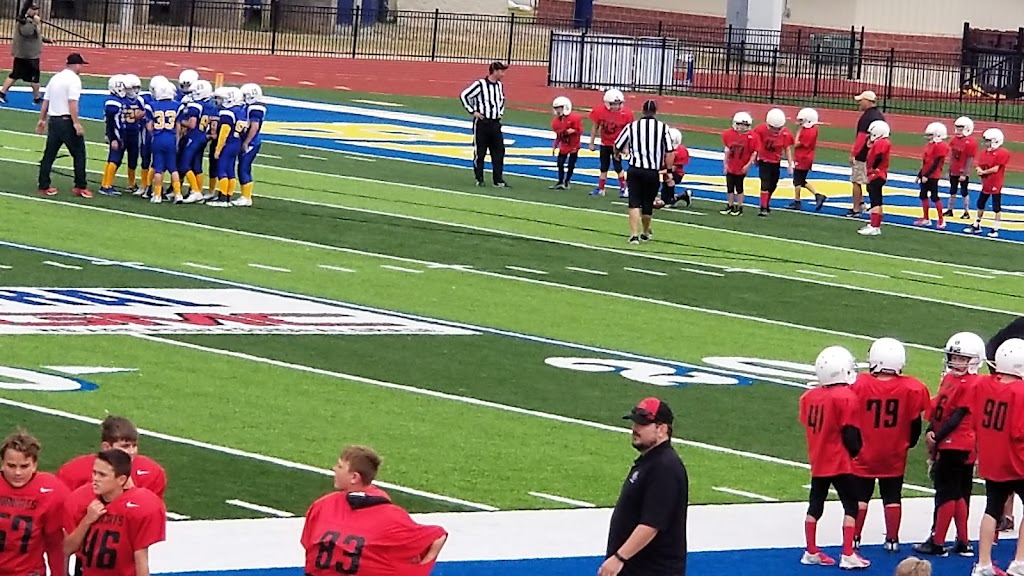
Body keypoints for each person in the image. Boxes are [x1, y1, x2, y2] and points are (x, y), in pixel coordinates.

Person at [301, 445, 448, 576]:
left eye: (340, 466)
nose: (334, 469)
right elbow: (437, 537)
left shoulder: (324, 505)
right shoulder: (391, 515)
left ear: (354, 477)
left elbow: (309, 544)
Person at [850, 337, 931, 553]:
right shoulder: (912, 388)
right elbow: (915, 423)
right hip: (894, 452)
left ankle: (854, 537)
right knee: (892, 495)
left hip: (865, 450)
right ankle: (893, 539)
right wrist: (907, 443)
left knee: (861, 496)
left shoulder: (859, 384)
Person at [914, 331, 986, 557]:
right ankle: (963, 541)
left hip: (958, 442)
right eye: (954, 357)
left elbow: (957, 415)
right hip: (954, 441)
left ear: (974, 360)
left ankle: (937, 541)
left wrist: (937, 436)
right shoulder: (950, 379)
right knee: (958, 493)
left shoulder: (972, 383)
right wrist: (930, 429)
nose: (956, 361)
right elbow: (940, 410)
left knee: (947, 493)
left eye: (962, 358)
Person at [601, 397, 688, 576]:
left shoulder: (665, 468)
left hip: (651, 570)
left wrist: (619, 558)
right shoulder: (651, 462)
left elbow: (651, 524)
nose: (635, 429)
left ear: (662, 429)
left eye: (642, 425)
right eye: (635, 423)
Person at [798, 346, 867, 569]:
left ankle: (810, 550)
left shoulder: (808, 397)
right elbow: (849, 433)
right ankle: (847, 553)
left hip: (818, 458)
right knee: (851, 505)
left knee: (815, 505)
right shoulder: (846, 396)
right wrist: (856, 451)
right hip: (838, 460)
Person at [969, 338, 1024, 576]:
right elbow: (1019, 431)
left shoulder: (983, 384)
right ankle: (1020, 561)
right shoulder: (1020, 392)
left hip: (992, 458)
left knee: (992, 509)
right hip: (1017, 460)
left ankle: (983, 563)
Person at [63, 450, 166, 576]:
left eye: (102, 475)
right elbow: (66, 549)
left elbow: (141, 559)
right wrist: (87, 520)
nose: (95, 479)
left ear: (121, 479)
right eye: (94, 473)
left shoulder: (137, 507)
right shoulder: (82, 500)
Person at [0, 428, 69, 576]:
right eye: (11, 466)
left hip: (28, 572)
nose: (17, 473)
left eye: (24, 466)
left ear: (35, 465)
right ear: (2, 464)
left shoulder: (51, 490)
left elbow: (55, 542)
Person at [57, 415, 167, 499]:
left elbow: (151, 513)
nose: (132, 451)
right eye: (125, 446)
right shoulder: (73, 471)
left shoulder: (152, 472)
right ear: (106, 447)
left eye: (134, 446)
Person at [613, 99, 675, 245]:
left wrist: (617, 154)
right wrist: (669, 170)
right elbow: (670, 152)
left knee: (634, 202)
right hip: (652, 171)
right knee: (647, 203)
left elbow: (618, 144)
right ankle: (645, 232)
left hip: (635, 169)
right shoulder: (663, 128)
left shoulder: (632, 126)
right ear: (655, 112)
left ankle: (634, 235)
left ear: (642, 111)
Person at [37, 52, 89, 198]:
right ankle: (80, 185)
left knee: (49, 154)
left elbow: (46, 101)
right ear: (77, 65)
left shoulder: (55, 78)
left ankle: (43, 185)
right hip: (66, 121)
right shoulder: (74, 80)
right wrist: (76, 123)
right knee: (79, 154)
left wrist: (42, 119)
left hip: (54, 120)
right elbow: (72, 102)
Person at [459, 61, 509, 188]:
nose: (503, 74)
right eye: (501, 71)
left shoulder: (499, 86)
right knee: (480, 152)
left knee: (499, 151)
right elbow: (464, 96)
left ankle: (498, 180)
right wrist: (473, 111)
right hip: (482, 123)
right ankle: (479, 178)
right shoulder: (480, 84)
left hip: (495, 123)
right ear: (495, 71)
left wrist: (500, 113)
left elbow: (502, 100)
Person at [0, 0, 50, 105]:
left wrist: (46, 39)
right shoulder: (25, 21)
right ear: (28, 10)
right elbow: (27, 32)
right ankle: (3, 93)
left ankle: (36, 98)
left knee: (20, 75)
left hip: (30, 54)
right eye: (33, 10)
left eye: (36, 10)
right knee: (20, 75)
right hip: (27, 55)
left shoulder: (30, 21)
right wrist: (35, 22)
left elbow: (36, 34)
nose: (36, 12)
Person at [965, 128, 1010, 239]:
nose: (986, 143)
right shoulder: (985, 153)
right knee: (980, 204)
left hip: (995, 183)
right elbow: (980, 164)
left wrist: (983, 172)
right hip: (986, 183)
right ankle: (977, 224)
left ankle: (995, 227)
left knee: (996, 207)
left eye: (988, 140)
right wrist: (979, 170)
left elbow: (995, 169)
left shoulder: (1002, 153)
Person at [588, 89, 633, 198]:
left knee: (618, 167)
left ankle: (624, 188)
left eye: (618, 104)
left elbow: (628, 132)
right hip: (604, 143)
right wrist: (592, 142)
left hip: (617, 145)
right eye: (613, 104)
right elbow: (595, 127)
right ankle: (601, 188)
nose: (616, 106)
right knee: (603, 167)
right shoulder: (600, 111)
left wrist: (626, 146)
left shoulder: (626, 114)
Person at [848, 90, 886, 217]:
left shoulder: (866, 117)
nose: (859, 103)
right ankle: (867, 204)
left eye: (861, 100)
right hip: (876, 154)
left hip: (864, 154)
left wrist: (853, 153)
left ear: (868, 101)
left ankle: (856, 208)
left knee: (857, 181)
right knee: (872, 181)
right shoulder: (880, 116)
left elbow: (861, 137)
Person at [752, 107, 794, 217]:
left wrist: (790, 164)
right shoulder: (760, 129)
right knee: (765, 183)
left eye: (778, 128)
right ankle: (763, 207)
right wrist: (755, 157)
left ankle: (766, 203)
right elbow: (755, 143)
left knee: (773, 185)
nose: (775, 131)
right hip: (764, 160)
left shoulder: (785, 133)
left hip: (776, 161)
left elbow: (787, 148)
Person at [178, 79, 215, 204]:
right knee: (197, 166)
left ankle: (195, 191)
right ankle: (198, 190)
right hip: (203, 137)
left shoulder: (195, 105)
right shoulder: (210, 106)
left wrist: (180, 121)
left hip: (194, 137)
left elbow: (192, 124)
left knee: (184, 164)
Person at [147, 78, 183, 204]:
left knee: (158, 168)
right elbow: (178, 126)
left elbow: (149, 126)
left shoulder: (152, 106)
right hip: (170, 138)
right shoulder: (177, 106)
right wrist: (177, 139)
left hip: (158, 138)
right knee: (173, 168)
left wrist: (154, 135)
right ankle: (178, 194)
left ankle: (157, 195)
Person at [786, 107, 826, 211]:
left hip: (803, 157)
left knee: (797, 180)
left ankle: (797, 201)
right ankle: (818, 195)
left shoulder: (808, 132)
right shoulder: (812, 129)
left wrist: (798, 132)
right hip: (805, 157)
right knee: (801, 180)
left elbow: (796, 144)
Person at [857, 120, 892, 236]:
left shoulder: (881, 143)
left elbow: (879, 156)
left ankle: (874, 226)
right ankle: (875, 225)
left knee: (875, 201)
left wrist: (873, 169)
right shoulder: (881, 142)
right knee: (877, 201)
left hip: (877, 174)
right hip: (878, 174)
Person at [234, 82, 265, 207]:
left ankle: (246, 197)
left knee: (243, 168)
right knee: (243, 168)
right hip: (249, 141)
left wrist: (246, 142)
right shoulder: (251, 106)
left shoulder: (256, 108)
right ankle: (245, 195)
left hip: (251, 142)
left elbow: (254, 126)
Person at [720, 112, 755, 216]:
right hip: (731, 165)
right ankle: (730, 205)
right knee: (730, 187)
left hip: (741, 165)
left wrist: (748, 165)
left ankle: (739, 207)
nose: (742, 127)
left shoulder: (752, 137)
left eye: (745, 125)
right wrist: (725, 164)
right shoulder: (729, 134)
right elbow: (727, 150)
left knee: (739, 187)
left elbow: (754, 152)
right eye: (740, 124)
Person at [916, 122, 950, 228]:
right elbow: (926, 162)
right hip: (926, 174)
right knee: (923, 195)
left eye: (931, 135)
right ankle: (926, 218)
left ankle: (941, 220)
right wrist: (920, 174)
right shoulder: (930, 145)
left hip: (933, 175)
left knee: (934, 197)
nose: (929, 137)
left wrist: (926, 175)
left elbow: (935, 163)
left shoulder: (941, 146)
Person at [99, 74, 128, 197]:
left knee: (115, 159)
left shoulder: (115, 101)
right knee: (114, 159)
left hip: (116, 133)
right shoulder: (113, 103)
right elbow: (112, 122)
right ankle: (106, 186)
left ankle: (106, 183)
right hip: (116, 134)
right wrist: (115, 138)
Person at [945, 116, 977, 220]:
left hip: (962, 170)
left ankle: (966, 211)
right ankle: (950, 209)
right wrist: (949, 170)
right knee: (952, 190)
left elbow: (969, 159)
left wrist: (965, 173)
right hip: (954, 170)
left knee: (964, 191)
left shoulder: (971, 142)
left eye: (961, 128)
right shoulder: (954, 139)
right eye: (957, 128)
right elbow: (952, 156)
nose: (958, 130)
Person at [549, 95, 582, 190]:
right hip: (564, 144)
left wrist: (573, 131)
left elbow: (580, 130)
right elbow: (559, 135)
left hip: (574, 144)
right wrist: (555, 145)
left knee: (571, 164)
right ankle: (560, 181)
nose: (557, 110)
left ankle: (567, 181)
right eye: (556, 108)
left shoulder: (575, 118)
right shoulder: (556, 122)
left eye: (559, 108)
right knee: (560, 163)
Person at [660, 127, 691, 208]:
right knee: (663, 200)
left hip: (675, 174)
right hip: (665, 172)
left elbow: (673, 169)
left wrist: (657, 172)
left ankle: (671, 200)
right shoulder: (661, 148)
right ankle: (683, 196)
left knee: (669, 179)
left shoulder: (680, 150)